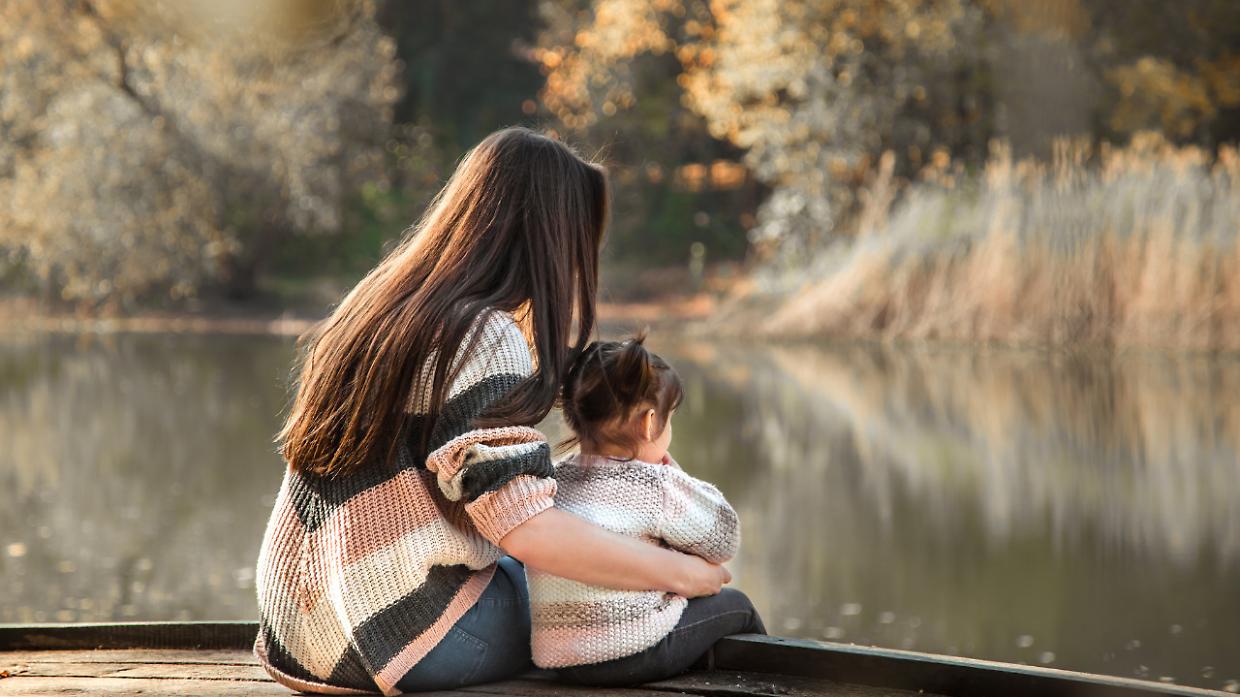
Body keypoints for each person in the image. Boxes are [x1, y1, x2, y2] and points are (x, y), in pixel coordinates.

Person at [253, 126, 730, 696]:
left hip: (299, 631)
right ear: (549, 239)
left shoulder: (376, 307)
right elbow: (529, 533)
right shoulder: (481, 335)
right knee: (595, 604)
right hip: (402, 638)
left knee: (573, 573)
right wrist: (687, 574)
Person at [528, 333, 765, 686]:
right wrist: (672, 474)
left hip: (561, 659)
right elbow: (724, 538)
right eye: (669, 420)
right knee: (739, 606)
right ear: (650, 422)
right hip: (634, 651)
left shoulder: (554, 479)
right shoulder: (655, 485)